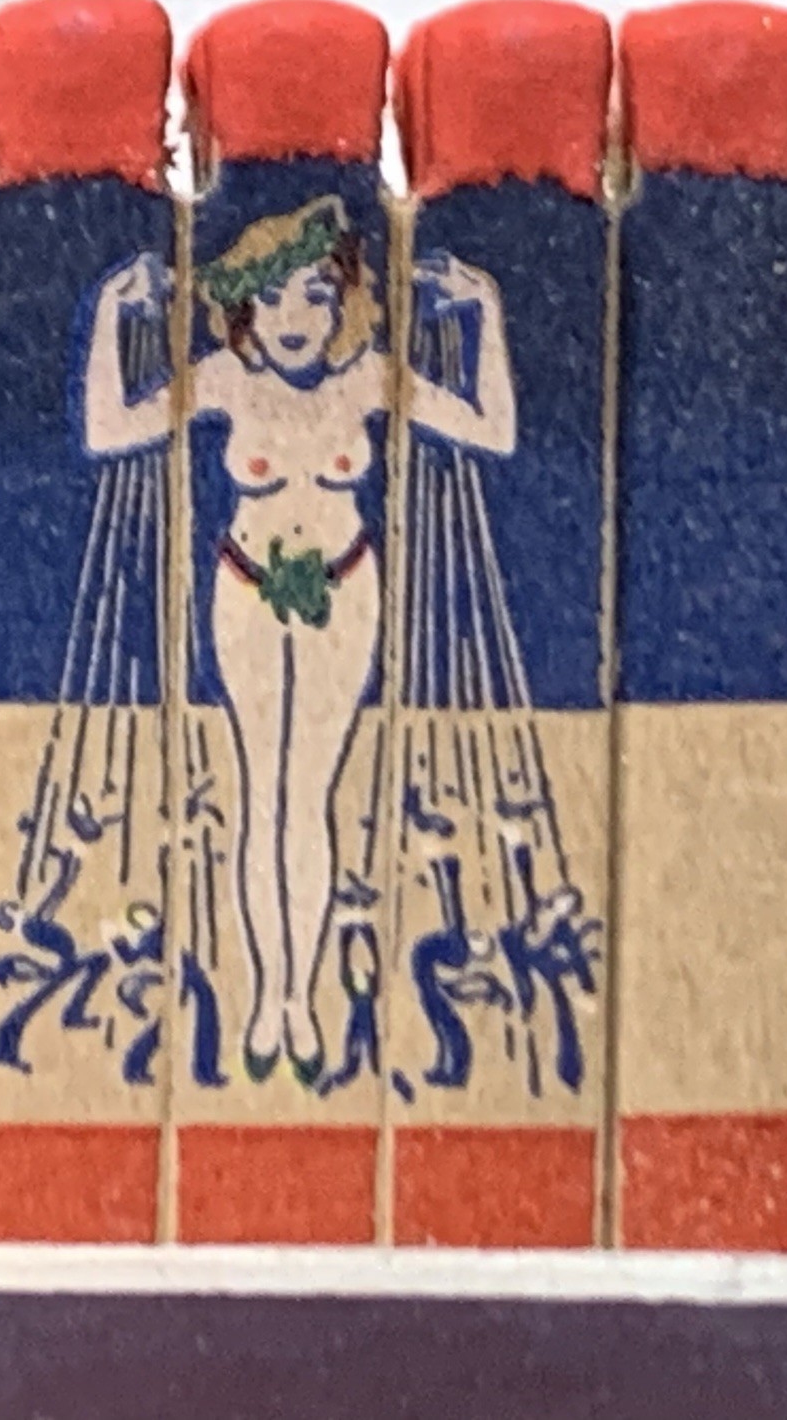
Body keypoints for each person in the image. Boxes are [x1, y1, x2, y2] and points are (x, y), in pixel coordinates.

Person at [81, 194, 515, 1086]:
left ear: (344, 301)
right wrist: (108, 319)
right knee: (259, 796)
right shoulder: (226, 380)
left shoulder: (368, 379)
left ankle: (300, 994)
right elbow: (110, 428)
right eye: (273, 297)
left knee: (309, 799)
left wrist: (489, 313)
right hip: (246, 590)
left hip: (346, 590)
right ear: (244, 309)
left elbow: (491, 429)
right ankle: (264, 996)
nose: (293, 318)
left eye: (315, 295)